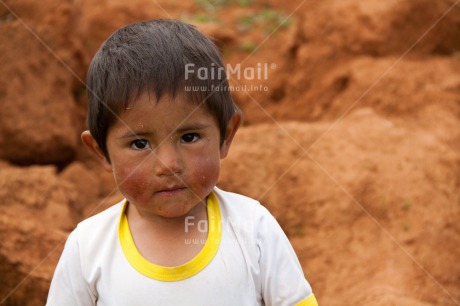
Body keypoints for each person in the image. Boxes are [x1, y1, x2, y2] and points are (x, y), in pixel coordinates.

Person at [46, 19, 318, 306]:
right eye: (140, 144)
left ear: (226, 135)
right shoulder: (87, 248)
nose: (169, 164)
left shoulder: (253, 229)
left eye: (189, 137)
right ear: (101, 151)